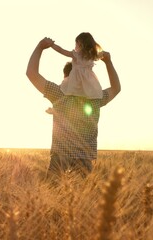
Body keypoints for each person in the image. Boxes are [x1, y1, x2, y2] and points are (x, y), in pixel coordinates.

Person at [26, 37, 121, 179]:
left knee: (52, 196)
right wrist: (108, 62)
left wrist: (40, 47)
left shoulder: (59, 94)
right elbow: (116, 88)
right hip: (85, 161)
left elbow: (31, 73)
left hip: (60, 159)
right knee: (83, 198)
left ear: (67, 77)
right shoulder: (96, 99)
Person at [51, 32, 104, 99]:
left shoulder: (83, 56)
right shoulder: (85, 56)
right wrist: (52, 45)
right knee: (83, 95)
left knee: (76, 94)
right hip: (85, 82)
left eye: (76, 44)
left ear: (81, 44)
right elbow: (61, 50)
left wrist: (51, 45)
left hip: (77, 82)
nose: (75, 46)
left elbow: (62, 51)